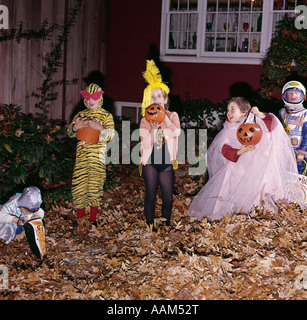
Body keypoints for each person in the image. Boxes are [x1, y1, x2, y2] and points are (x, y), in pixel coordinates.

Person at [188, 97, 305, 222]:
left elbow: (272, 125)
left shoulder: (255, 124)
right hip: (236, 167)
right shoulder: (229, 129)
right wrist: (239, 152)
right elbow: (224, 148)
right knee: (228, 187)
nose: (228, 113)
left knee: (257, 187)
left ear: (244, 113)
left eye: (233, 109)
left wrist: (259, 114)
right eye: (227, 110)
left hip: (255, 167)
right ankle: (230, 210)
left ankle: (255, 210)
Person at [140, 60, 181, 231]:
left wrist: (163, 118)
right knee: (150, 194)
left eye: (159, 96)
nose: (156, 99)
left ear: (165, 99)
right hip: (150, 162)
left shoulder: (172, 116)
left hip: (166, 162)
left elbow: (176, 133)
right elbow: (144, 141)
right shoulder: (144, 119)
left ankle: (165, 223)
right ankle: (149, 224)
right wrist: (153, 128)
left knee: (167, 196)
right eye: (152, 96)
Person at [67, 83, 114, 226]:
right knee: (78, 187)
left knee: (94, 187)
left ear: (100, 98)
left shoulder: (106, 115)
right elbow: (70, 133)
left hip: (97, 160)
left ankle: (93, 218)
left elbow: (111, 135)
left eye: (94, 97)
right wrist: (75, 127)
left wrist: (99, 127)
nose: (90, 101)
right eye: (87, 97)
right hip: (81, 159)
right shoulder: (80, 115)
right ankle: (80, 217)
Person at [278, 81, 307, 174]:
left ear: (303, 96)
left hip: (298, 152)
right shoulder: (282, 112)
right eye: (290, 93)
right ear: (283, 96)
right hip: (283, 150)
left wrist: (302, 152)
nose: (293, 95)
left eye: (296, 93)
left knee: (297, 175)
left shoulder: (305, 114)